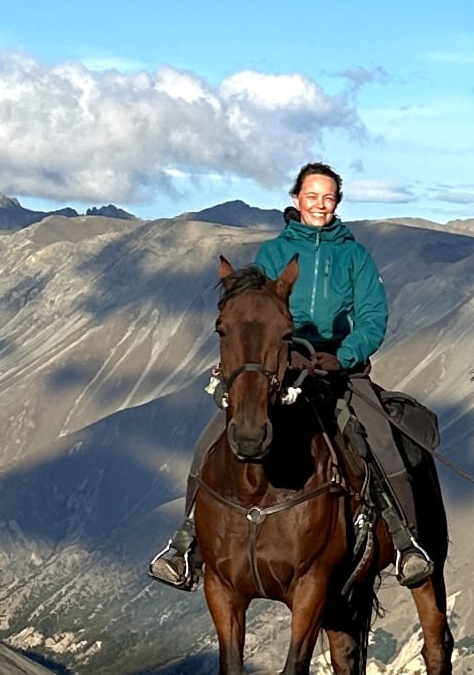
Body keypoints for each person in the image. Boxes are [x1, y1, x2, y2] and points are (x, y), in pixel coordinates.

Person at [149, 162, 436, 591]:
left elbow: (373, 316)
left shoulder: (355, 256)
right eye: (312, 196)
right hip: (280, 365)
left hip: (339, 367)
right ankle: (185, 545)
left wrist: (344, 356)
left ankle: (407, 541)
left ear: (337, 202)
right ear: (296, 199)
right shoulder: (272, 254)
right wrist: (280, 356)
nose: (320, 204)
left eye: (328, 197)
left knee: (377, 435)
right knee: (209, 441)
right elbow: (256, 317)